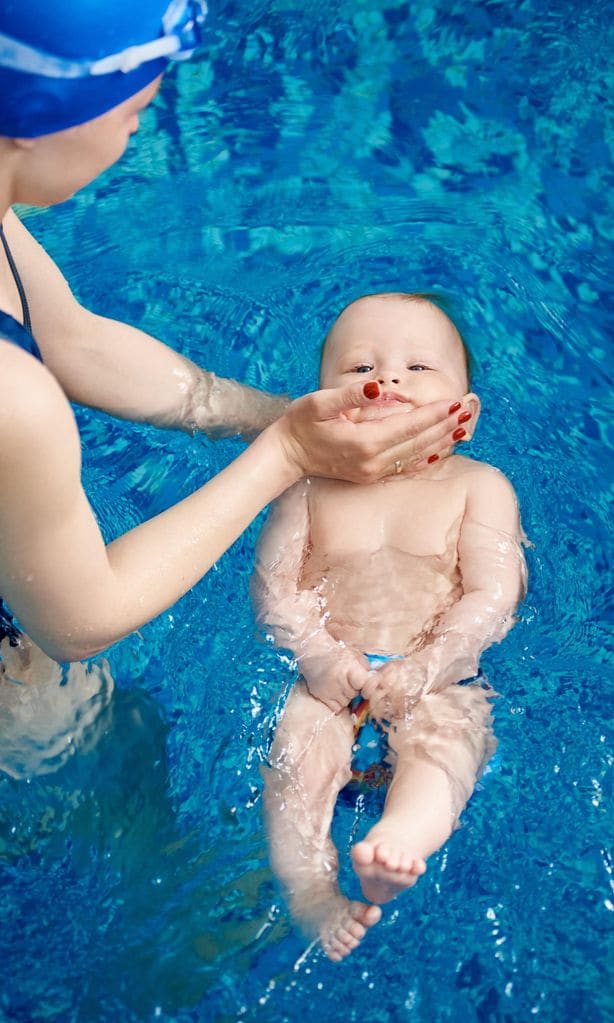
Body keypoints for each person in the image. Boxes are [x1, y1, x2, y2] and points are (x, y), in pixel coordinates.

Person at [0, 1, 465, 694]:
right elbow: (78, 618)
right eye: (132, 110)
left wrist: (282, 414)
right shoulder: (13, 396)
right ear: (39, 114)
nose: (140, 123)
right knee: (71, 727)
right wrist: (287, 454)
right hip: (46, 625)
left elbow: (73, 339)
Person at [252, 292, 528, 962]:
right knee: (295, 759)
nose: (390, 378)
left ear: (463, 415)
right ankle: (311, 892)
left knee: (449, 739)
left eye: (419, 367)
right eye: (359, 367)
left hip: (433, 673)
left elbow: (495, 594)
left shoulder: (479, 486)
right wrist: (319, 657)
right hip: (328, 681)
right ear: (319, 408)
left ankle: (401, 835)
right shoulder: (308, 488)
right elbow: (274, 593)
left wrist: (430, 665)